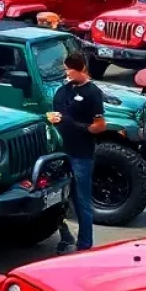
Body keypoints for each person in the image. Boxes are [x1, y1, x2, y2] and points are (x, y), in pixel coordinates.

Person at [46, 50, 106, 254]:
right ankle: (63, 235)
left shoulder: (93, 93)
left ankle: (85, 245)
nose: (66, 74)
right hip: (61, 153)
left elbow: (100, 125)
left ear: (80, 68)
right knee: (57, 197)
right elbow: (54, 113)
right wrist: (51, 119)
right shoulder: (63, 91)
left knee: (82, 201)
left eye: (69, 70)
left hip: (81, 154)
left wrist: (79, 127)